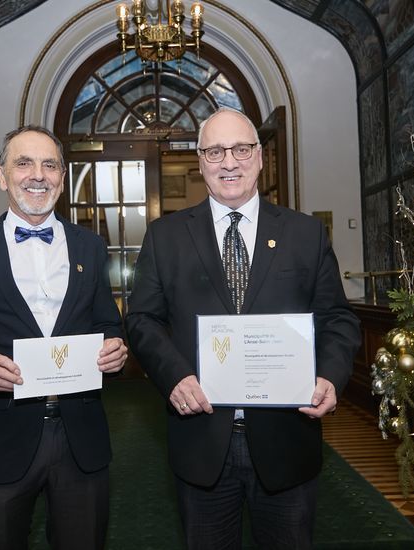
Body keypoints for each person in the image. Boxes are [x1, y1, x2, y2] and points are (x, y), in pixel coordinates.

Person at [125, 108, 361, 549]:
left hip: (287, 437)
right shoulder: (165, 236)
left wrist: (330, 374)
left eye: (240, 149)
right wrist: (173, 376)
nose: (228, 162)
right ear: (200, 161)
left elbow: (337, 318)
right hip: (200, 439)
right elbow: (141, 319)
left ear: (260, 157)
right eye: (215, 151)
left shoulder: (305, 234)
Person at [0, 124, 127, 550]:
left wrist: (114, 348)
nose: (38, 174)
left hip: (81, 438)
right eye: (24, 163)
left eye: (49, 164)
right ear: (2, 175)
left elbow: (108, 323)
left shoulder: (90, 247)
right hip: (1, 437)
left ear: (62, 177)